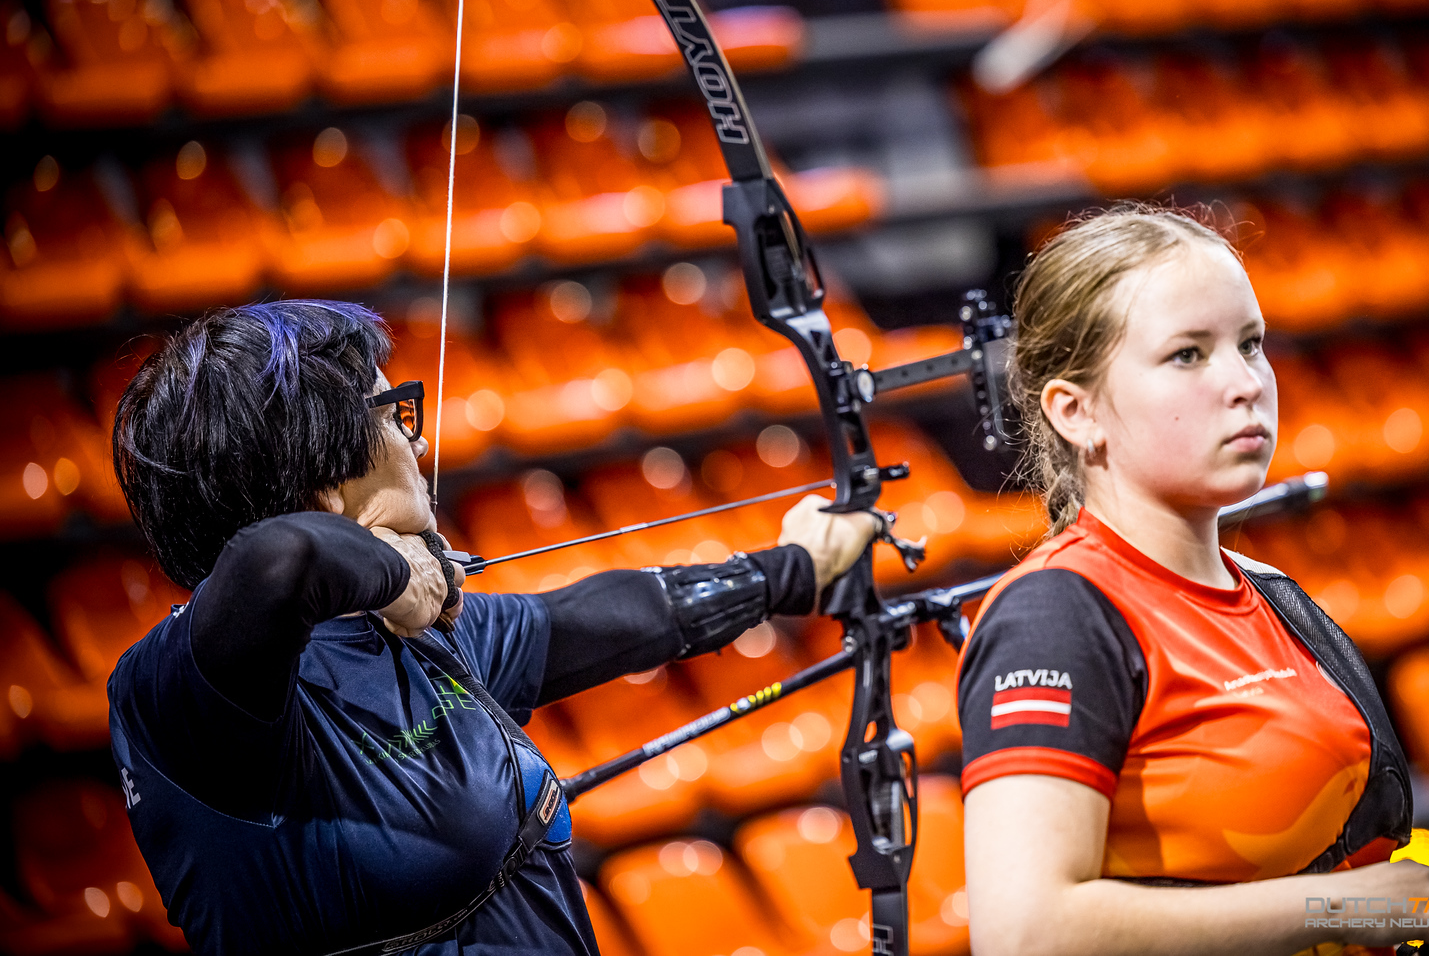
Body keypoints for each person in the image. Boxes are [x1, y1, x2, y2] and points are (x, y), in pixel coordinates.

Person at [106, 300, 878, 956]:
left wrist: (794, 568)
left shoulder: (402, 635)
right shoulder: (178, 698)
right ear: (325, 481)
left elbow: (600, 618)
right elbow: (276, 562)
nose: (418, 441)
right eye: (393, 414)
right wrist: (396, 570)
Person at [957, 209, 1429, 956]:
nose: (1245, 383)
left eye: (1251, 344)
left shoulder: (1273, 592)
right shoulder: (1057, 615)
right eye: (1187, 354)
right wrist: (1335, 907)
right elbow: (1024, 934)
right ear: (1077, 411)